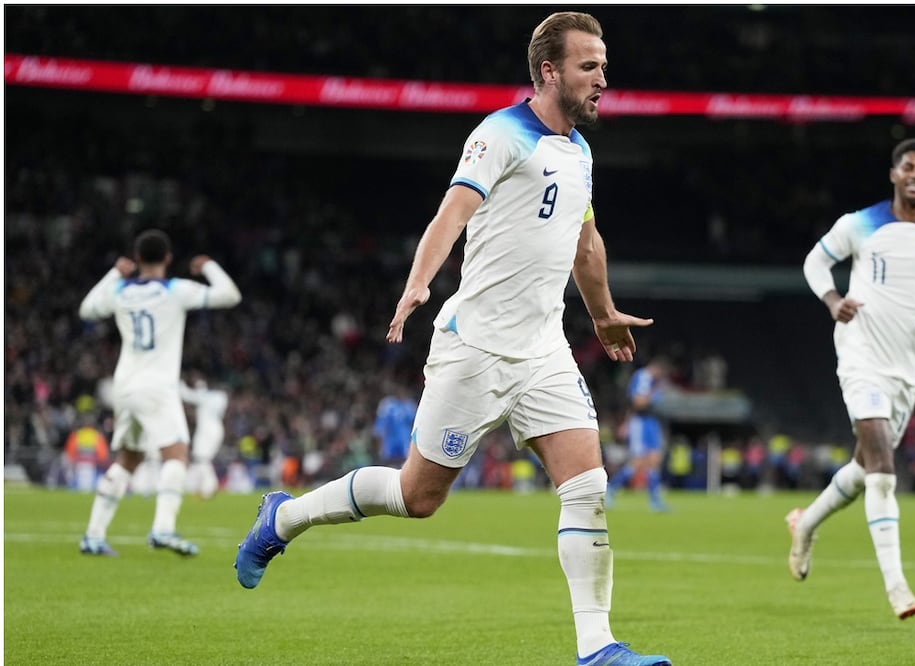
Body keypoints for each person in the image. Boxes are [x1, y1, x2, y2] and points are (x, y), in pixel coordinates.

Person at [234, 12, 671, 666]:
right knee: (419, 497)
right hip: (476, 350)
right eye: (589, 67)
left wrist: (603, 311)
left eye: (604, 66)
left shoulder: (580, 151)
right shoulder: (500, 134)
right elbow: (454, 211)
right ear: (550, 72)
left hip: (544, 351)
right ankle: (283, 518)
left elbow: (585, 241)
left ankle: (598, 647)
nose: (603, 79)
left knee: (587, 485)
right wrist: (418, 283)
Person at [786, 138, 915, 620]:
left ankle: (805, 524)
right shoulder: (860, 223)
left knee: (863, 467)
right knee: (884, 471)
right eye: (908, 166)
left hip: (907, 368)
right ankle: (897, 589)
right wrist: (833, 301)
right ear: (894, 174)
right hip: (860, 352)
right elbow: (815, 262)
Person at [78, 229, 242, 556]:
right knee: (177, 453)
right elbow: (230, 295)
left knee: (129, 458)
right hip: (157, 386)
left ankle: (93, 535)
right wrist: (209, 266)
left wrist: (113, 273)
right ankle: (163, 530)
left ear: (137, 259)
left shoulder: (120, 291)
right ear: (167, 258)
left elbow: (86, 309)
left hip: (124, 385)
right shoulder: (175, 290)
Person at [606, 356, 672, 511]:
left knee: (654, 460)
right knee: (638, 462)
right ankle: (611, 489)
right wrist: (656, 394)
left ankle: (655, 501)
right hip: (640, 423)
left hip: (650, 422)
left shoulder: (649, 379)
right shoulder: (644, 376)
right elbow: (638, 402)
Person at [179, 373, 230, 499]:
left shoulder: (210, 397)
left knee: (201, 458)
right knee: (202, 459)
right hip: (213, 429)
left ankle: (209, 487)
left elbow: (187, 395)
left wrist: (179, 383)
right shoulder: (220, 397)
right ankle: (206, 486)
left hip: (208, 430)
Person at [372, 383, 418, 469]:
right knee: (389, 469)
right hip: (389, 444)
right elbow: (379, 427)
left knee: (403, 469)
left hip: (404, 444)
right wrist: (380, 446)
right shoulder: (386, 405)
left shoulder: (410, 406)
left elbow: (415, 427)